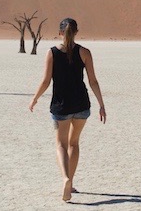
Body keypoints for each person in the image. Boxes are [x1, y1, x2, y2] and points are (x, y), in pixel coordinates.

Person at [29, 17, 106, 202]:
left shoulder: (52, 53)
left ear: (60, 33)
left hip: (60, 106)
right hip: (81, 105)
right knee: (74, 143)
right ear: (76, 32)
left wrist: (34, 98)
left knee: (61, 144)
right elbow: (93, 81)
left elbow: (46, 81)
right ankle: (70, 182)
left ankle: (65, 178)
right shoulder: (85, 52)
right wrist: (102, 105)